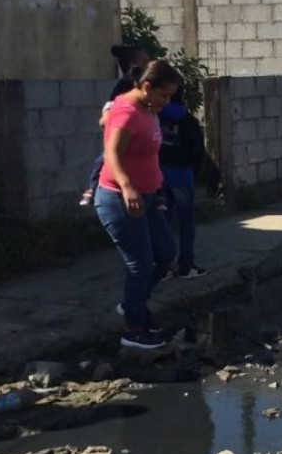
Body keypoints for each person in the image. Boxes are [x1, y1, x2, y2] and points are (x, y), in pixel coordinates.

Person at [95, 60, 182, 349]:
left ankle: (133, 303)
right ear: (147, 87)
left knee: (166, 252)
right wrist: (128, 187)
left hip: (147, 196)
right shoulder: (129, 112)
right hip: (120, 198)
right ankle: (133, 329)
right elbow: (111, 154)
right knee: (140, 264)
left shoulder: (146, 108)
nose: (167, 102)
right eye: (164, 95)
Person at [80, 45, 151, 206]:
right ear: (134, 63)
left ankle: (157, 193)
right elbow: (110, 104)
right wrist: (106, 116)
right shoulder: (127, 82)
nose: (149, 64)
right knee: (108, 155)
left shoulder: (143, 85)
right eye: (145, 61)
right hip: (120, 126)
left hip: (134, 130)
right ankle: (92, 188)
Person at [158, 91, 207, 280]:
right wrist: (192, 172)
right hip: (183, 176)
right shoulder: (188, 121)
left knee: (163, 222)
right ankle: (185, 266)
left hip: (160, 176)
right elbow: (198, 151)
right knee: (186, 223)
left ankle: (163, 268)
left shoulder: (157, 118)